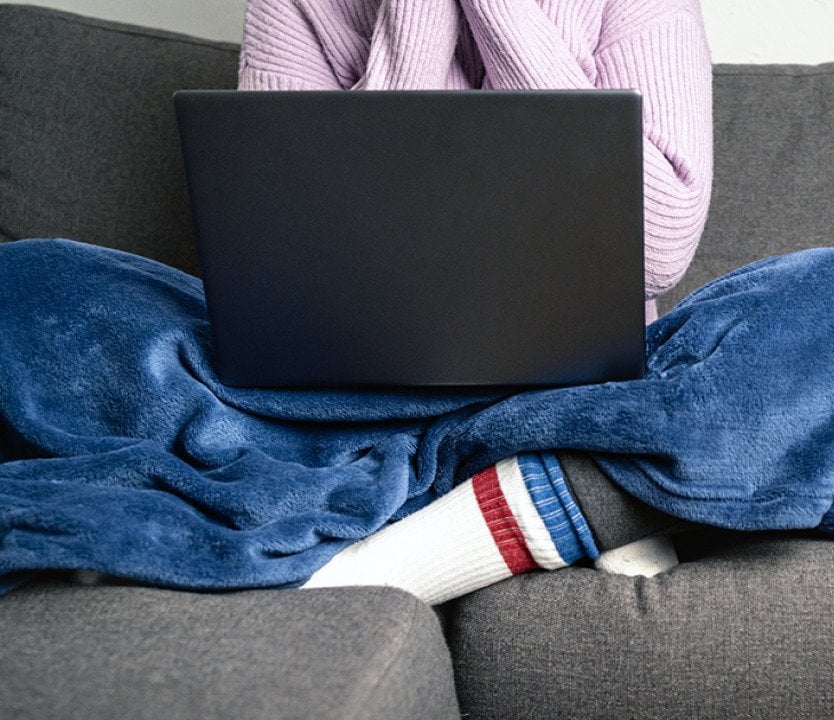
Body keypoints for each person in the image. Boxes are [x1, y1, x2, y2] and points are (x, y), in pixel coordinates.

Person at [237, 0, 715, 603]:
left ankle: (402, 557)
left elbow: (657, 251)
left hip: (576, 397)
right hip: (363, 396)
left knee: (825, 296)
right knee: (115, 289)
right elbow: (296, 261)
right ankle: (579, 495)